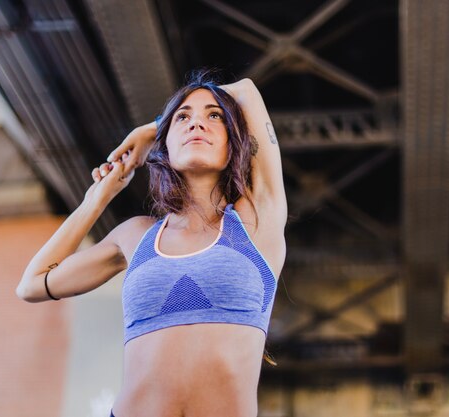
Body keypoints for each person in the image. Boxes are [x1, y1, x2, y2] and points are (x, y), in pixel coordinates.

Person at [16, 72, 287, 417]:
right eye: (183, 118)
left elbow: (245, 90)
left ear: (233, 141)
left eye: (214, 115)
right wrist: (96, 199)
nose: (197, 124)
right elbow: (32, 284)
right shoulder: (137, 236)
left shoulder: (257, 219)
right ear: (166, 149)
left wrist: (152, 127)